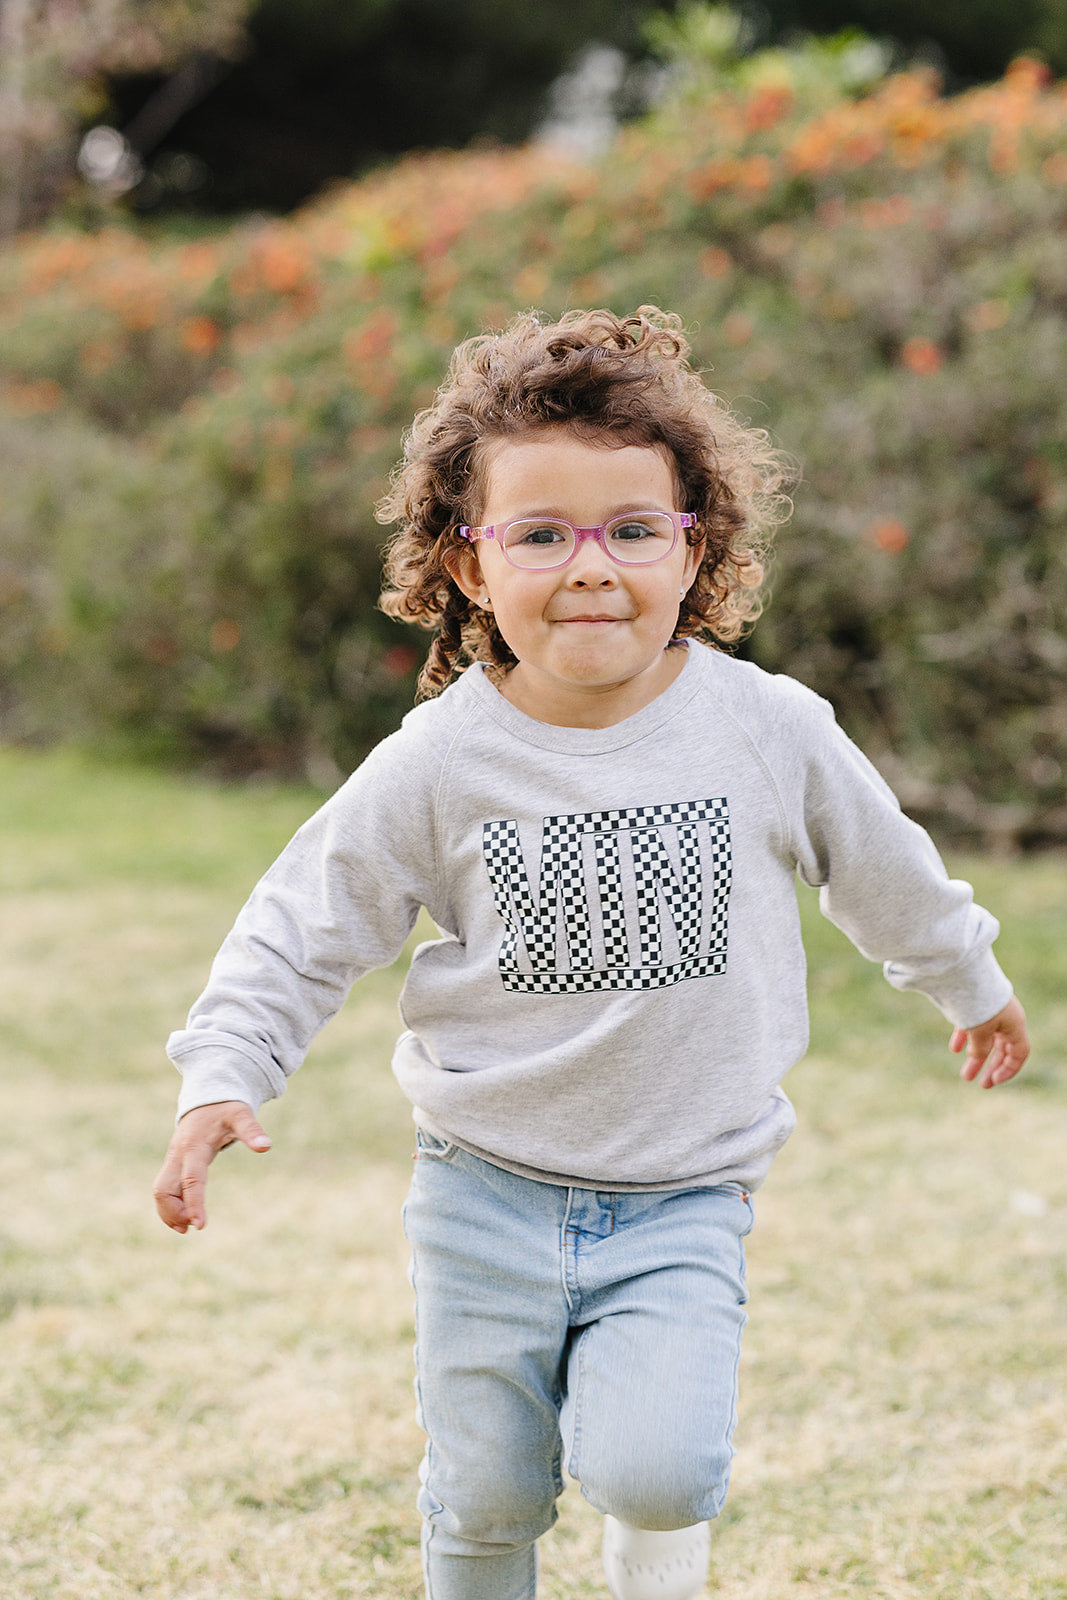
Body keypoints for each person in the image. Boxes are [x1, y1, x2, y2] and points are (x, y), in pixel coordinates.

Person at [153, 307, 1030, 1600]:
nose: (592, 568)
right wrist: (224, 1073)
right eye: (541, 534)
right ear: (467, 564)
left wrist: (969, 978)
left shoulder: (764, 729)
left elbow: (883, 869)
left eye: (633, 530)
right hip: (484, 1189)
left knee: (658, 1468)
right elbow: (304, 924)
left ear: (694, 550)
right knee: (491, 1489)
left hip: (685, 1192)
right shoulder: (443, 763)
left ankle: (653, 1563)